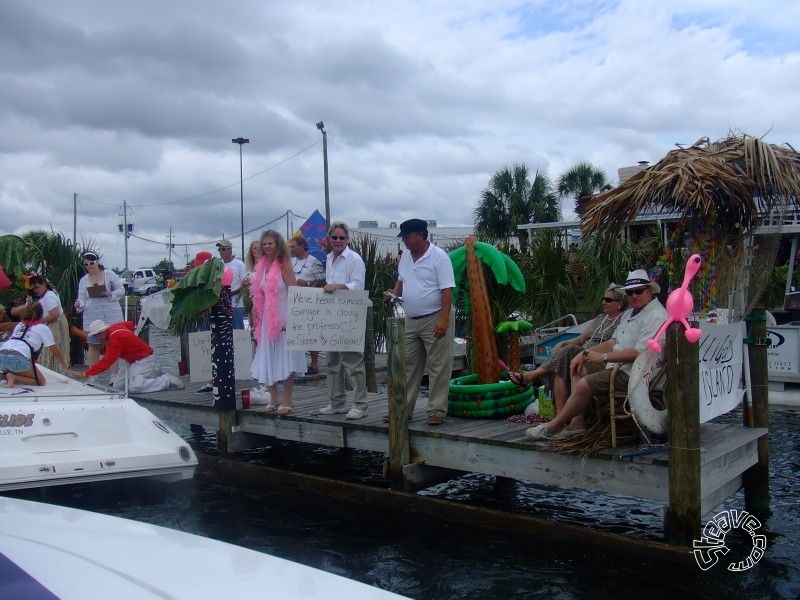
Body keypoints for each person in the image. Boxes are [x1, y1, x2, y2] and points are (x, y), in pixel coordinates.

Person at [525, 269, 667, 440]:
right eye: (630, 292)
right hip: (617, 365)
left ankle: (553, 425)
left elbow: (640, 352)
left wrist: (602, 357)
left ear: (649, 291)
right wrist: (585, 353)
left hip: (637, 372)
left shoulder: (656, 315)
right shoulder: (629, 313)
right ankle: (576, 424)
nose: (634, 296)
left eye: (639, 291)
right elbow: (613, 342)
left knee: (583, 382)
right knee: (576, 365)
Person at [509, 284, 625, 415]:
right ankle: (560, 415)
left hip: (596, 357)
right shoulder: (599, 318)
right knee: (562, 366)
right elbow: (581, 339)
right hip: (579, 353)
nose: (604, 302)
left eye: (608, 300)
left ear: (620, 303)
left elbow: (614, 344)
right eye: (603, 299)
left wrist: (575, 349)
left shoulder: (623, 320)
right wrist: (563, 342)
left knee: (568, 352)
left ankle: (532, 375)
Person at [384, 218, 455, 426]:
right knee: (407, 365)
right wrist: (393, 294)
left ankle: (436, 410)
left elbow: (447, 289)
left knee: (438, 366)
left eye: (407, 237)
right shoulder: (405, 255)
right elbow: (401, 279)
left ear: (421, 235)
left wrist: (443, 320)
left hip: (435, 316)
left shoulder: (439, 257)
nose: (404, 241)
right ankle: (402, 410)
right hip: (411, 319)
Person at [250, 230, 306, 415]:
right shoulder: (262, 266)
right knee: (269, 355)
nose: (266, 247)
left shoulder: (284, 264)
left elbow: (294, 292)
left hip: (283, 315)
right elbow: (259, 295)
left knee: (286, 355)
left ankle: (288, 399)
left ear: (278, 244)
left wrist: (292, 319)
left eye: (270, 243)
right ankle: (273, 398)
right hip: (266, 317)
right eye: (264, 244)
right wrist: (256, 314)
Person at [317, 221, 369, 420]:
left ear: (347, 239)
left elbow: (359, 285)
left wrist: (339, 286)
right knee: (332, 362)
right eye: (334, 237)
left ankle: (360, 404)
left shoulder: (355, 259)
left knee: (353, 362)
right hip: (331, 316)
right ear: (329, 239)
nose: (338, 241)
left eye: (342, 238)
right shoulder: (329, 258)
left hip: (350, 316)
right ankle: (337, 402)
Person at [67, 320, 184, 392]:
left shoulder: (115, 340)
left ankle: (166, 381)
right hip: (132, 360)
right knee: (117, 387)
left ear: (103, 331)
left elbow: (106, 362)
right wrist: (132, 334)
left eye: (97, 335)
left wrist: (84, 373)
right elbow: (130, 324)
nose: (97, 338)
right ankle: (151, 373)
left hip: (144, 359)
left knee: (134, 388)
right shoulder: (114, 327)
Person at [11, 274, 71, 371]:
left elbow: (55, 314)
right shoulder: (47, 293)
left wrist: (38, 322)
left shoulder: (49, 296)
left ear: (44, 284)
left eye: (37, 287)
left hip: (55, 324)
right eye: (33, 288)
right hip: (50, 323)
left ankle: (56, 369)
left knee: (50, 348)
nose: (35, 290)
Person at [75, 251, 125, 367]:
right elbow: (82, 298)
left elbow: (121, 291)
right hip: (92, 315)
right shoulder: (84, 280)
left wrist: (109, 293)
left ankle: (115, 376)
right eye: (86, 264)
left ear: (97, 262)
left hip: (112, 313)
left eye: (91, 263)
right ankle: (93, 375)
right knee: (93, 345)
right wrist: (79, 304)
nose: (89, 266)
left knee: (113, 344)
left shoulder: (109, 274)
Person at [0, 302, 68, 387]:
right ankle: (13, 377)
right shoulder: (43, 328)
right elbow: (55, 351)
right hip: (17, 357)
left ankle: (3, 375)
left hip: (1, 355)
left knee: (13, 366)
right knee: (41, 381)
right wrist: (65, 367)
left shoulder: (19, 325)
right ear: (42, 314)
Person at [290, 235, 325, 374]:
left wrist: (308, 283)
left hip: (310, 303)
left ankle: (314, 364)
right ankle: (297, 364)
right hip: (294, 302)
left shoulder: (313, 261)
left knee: (311, 333)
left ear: (302, 246)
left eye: (293, 246)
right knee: (296, 333)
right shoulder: (290, 262)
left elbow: (323, 281)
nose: (291, 249)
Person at [216, 239, 247, 330]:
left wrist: (230, 293)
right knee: (224, 333)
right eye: (219, 249)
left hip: (236, 304)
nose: (221, 251)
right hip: (222, 305)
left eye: (223, 249)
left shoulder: (239, 265)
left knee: (238, 333)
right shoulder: (218, 265)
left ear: (230, 250)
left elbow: (244, 284)